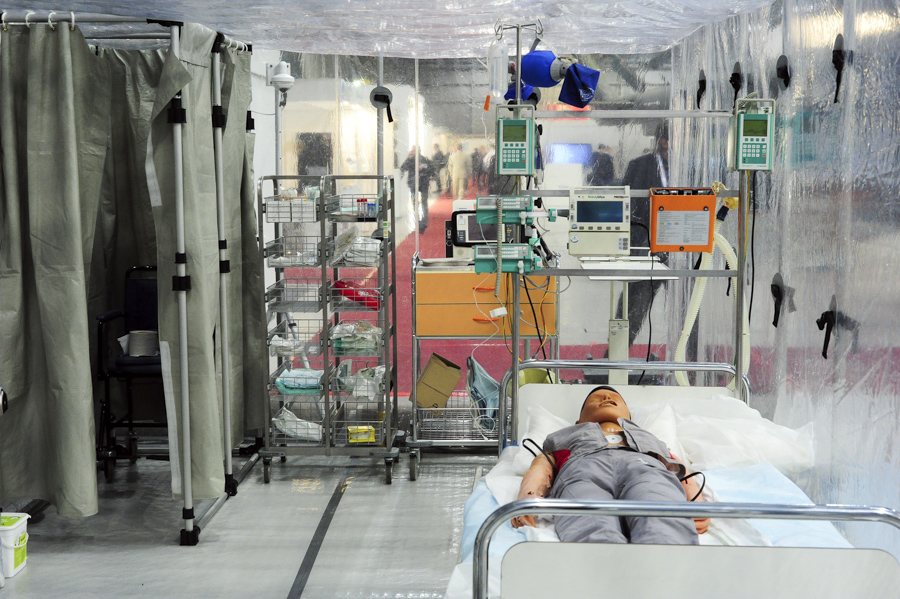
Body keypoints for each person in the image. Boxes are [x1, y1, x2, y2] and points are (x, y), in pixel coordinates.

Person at [512, 385, 708, 544]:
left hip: (645, 469)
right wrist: (529, 496)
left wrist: (696, 504)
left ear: (629, 417)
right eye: (595, 399)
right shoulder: (562, 438)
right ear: (578, 421)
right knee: (591, 527)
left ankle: (663, 571)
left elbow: (676, 467)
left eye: (614, 398)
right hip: (582, 473)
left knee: (661, 519)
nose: (606, 397)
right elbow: (540, 468)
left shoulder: (649, 438)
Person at [618, 122, 670, 347]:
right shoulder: (640, 166)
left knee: (688, 304)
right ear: (660, 141)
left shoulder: (688, 167)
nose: (669, 146)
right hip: (645, 245)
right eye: (667, 140)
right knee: (634, 304)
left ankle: (693, 355)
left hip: (680, 246)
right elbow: (627, 208)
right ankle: (618, 351)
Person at [400, 147, 433, 233]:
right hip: (414, 184)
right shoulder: (410, 160)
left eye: (414, 150)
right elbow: (403, 168)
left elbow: (430, 169)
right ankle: (417, 223)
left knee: (424, 203)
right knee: (415, 203)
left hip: (423, 183)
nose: (413, 152)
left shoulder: (424, 159)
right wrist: (408, 158)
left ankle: (423, 222)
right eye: (412, 151)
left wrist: (423, 168)